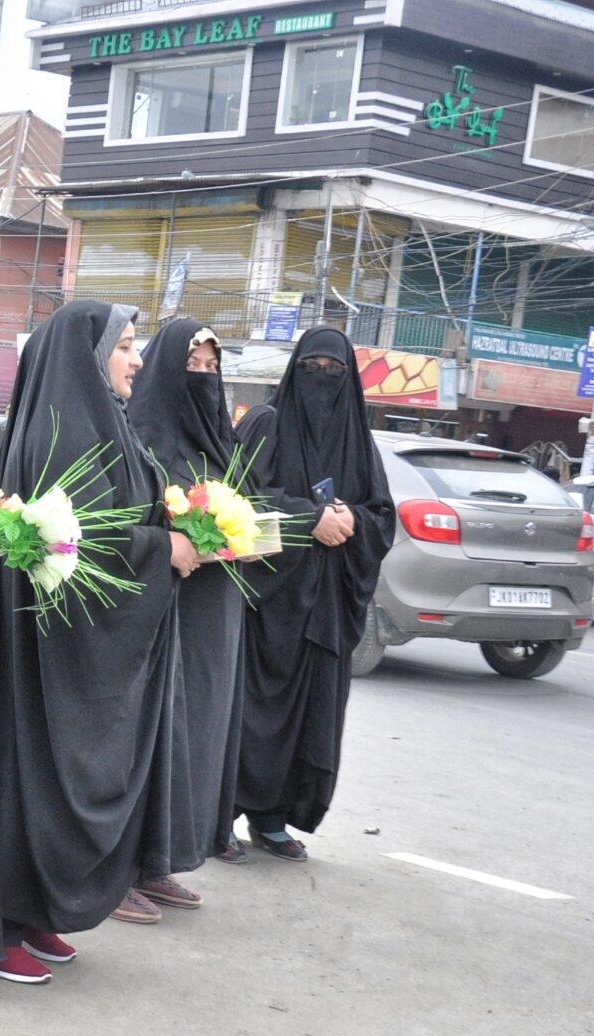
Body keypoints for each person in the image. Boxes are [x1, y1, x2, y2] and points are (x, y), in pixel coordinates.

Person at [0, 301, 191, 985]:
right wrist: (164, 547)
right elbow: (82, 540)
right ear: (88, 358)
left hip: (75, 650)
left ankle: (27, 912)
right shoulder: (65, 433)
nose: (137, 360)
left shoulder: (103, 424)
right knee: (21, 776)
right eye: (125, 347)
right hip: (43, 651)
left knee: (49, 785)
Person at [232, 327, 396, 861]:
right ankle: (216, 818)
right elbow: (240, 503)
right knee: (247, 712)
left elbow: (383, 516)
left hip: (326, 607)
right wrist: (312, 521)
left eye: (335, 371)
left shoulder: (358, 439)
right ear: (293, 370)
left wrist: (354, 521)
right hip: (267, 605)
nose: (322, 379)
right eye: (311, 368)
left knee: (311, 716)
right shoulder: (268, 425)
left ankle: (274, 819)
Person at [123, 318, 238, 914]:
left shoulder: (219, 441)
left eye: (212, 368)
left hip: (210, 610)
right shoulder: (142, 431)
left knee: (189, 736)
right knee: (150, 732)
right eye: (193, 367)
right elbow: (133, 519)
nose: (204, 378)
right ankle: (120, 872)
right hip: (158, 607)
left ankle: (158, 860)